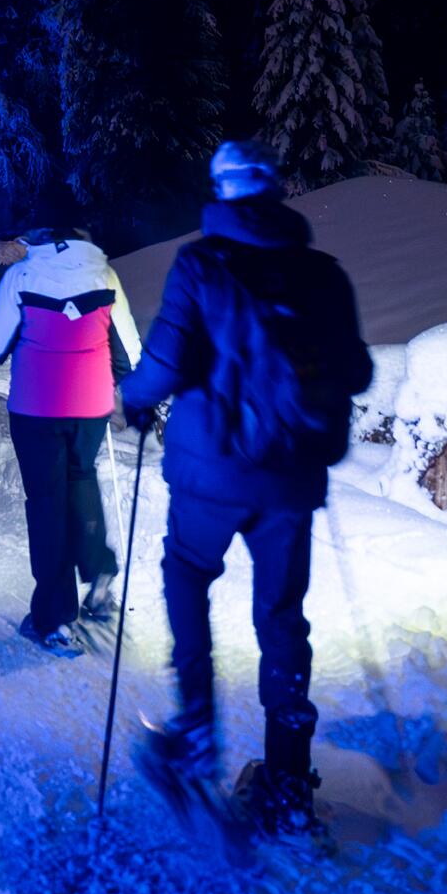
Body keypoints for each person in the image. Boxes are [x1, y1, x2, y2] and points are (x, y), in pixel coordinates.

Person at [120, 140, 372, 838]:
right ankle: (289, 783)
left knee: (187, 577)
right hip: (290, 480)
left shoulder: (202, 263)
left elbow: (166, 361)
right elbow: (357, 374)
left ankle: (195, 733)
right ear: (276, 189)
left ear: (223, 191)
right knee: (283, 619)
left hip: (211, 474)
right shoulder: (324, 273)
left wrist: (133, 398)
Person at [0, 228, 142, 655]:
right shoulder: (105, 274)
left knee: (46, 502)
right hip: (90, 407)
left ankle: (55, 617)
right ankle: (97, 568)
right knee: (81, 479)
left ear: (40, 239)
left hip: (37, 408)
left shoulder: (23, 277)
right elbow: (129, 352)